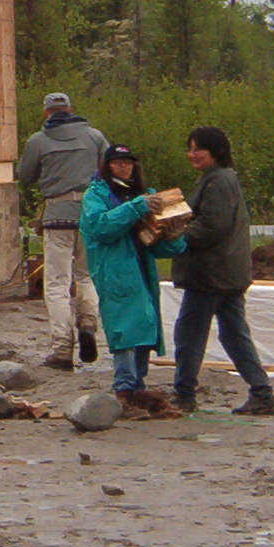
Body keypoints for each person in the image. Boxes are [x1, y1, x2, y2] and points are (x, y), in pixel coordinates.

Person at [170, 126, 274, 416]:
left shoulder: (218, 181)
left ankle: (184, 395)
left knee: (189, 336)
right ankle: (262, 394)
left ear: (216, 151)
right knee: (234, 336)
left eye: (198, 148)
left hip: (210, 275)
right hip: (227, 273)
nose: (192, 154)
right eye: (190, 148)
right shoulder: (220, 178)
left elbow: (211, 226)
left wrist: (173, 235)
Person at [80, 144, 186, 420]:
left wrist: (174, 237)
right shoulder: (96, 195)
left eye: (127, 162)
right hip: (114, 272)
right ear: (107, 166)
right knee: (124, 332)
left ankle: (137, 386)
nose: (123, 166)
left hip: (141, 270)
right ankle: (124, 390)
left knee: (143, 329)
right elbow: (101, 227)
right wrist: (136, 207)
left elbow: (157, 246)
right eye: (117, 162)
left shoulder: (142, 195)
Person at [17, 91, 109, 370]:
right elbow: (110, 171)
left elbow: (25, 176)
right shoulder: (94, 137)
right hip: (90, 214)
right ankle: (88, 322)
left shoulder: (38, 140)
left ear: (46, 113)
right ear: (70, 110)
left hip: (57, 215)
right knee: (86, 276)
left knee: (57, 283)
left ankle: (62, 348)